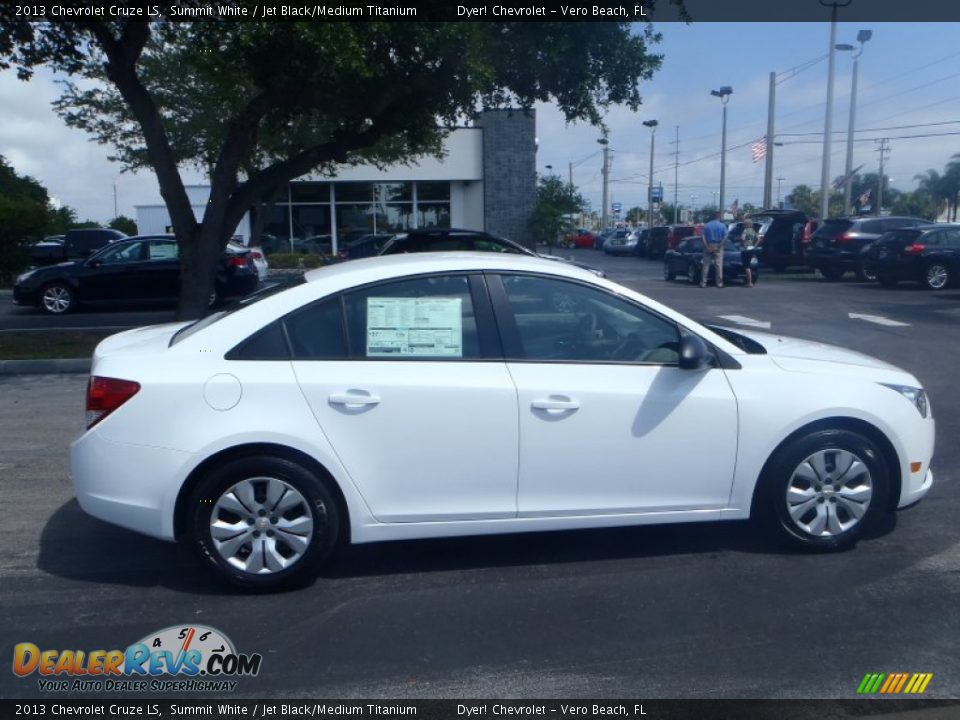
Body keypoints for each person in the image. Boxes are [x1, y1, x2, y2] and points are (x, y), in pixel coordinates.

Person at [701, 211, 726, 288]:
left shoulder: (706, 226)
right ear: (719, 216)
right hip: (718, 244)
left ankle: (703, 283)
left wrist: (707, 246)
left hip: (708, 244)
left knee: (706, 265)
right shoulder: (722, 226)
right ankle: (719, 283)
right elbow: (724, 238)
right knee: (718, 265)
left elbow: (703, 237)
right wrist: (719, 246)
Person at [740, 219, 760, 287]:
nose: (743, 225)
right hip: (751, 248)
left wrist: (744, 245)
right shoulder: (753, 231)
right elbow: (758, 239)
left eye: (744, 224)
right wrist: (755, 246)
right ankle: (749, 281)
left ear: (746, 224)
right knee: (749, 265)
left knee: (746, 266)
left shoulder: (745, 231)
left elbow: (742, 238)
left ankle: (749, 282)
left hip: (746, 249)